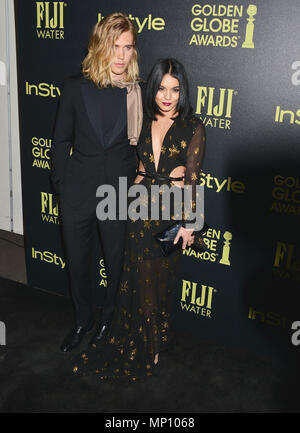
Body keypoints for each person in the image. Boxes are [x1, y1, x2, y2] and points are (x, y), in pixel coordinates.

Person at [72, 58, 206, 381]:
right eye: (161, 87)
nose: (167, 95)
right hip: (139, 208)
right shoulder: (143, 120)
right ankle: (147, 343)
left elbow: (193, 178)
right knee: (136, 279)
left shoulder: (193, 126)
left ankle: (156, 338)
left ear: (182, 91)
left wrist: (192, 222)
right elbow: (137, 169)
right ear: (153, 88)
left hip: (171, 211)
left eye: (174, 89)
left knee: (160, 282)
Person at [50, 13, 143, 353]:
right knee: (77, 262)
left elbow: (147, 147)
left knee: (116, 261)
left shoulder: (136, 94)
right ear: (100, 47)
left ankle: (107, 318)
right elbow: (60, 140)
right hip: (77, 191)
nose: (121, 55)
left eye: (128, 47)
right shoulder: (75, 87)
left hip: (117, 193)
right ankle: (82, 320)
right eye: (115, 46)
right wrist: (62, 184)